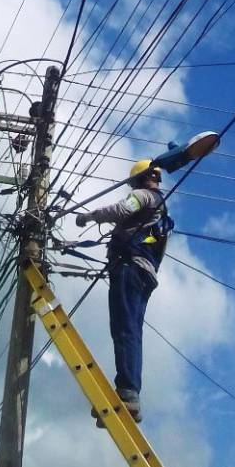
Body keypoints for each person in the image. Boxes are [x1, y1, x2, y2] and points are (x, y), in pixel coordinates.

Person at [75, 159, 173, 425]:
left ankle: (127, 391)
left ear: (137, 180)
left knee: (123, 329)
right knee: (131, 331)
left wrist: (88, 216)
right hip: (145, 274)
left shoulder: (143, 196)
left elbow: (121, 209)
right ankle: (129, 392)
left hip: (129, 268)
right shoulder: (162, 213)